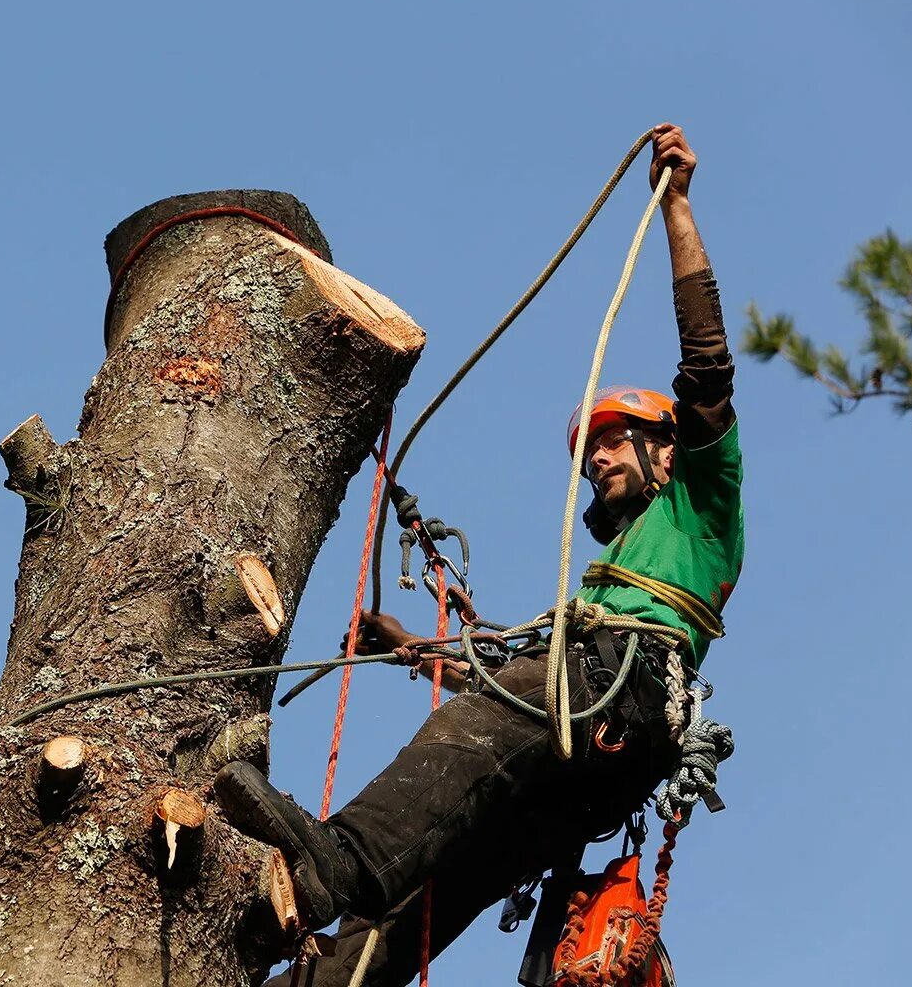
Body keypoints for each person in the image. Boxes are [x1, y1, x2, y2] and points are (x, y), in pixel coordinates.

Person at [216, 123, 744, 987]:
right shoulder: (606, 597)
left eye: (615, 443)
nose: (599, 460)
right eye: (591, 451)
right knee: (435, 880)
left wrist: (678, 209)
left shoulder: (704, 504)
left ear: (667, 450)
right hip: (588, 757)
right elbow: (515, 692)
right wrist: (413, 651)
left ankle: (335, 862)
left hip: (624, 699)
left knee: (470, 740)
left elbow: (708, 366)